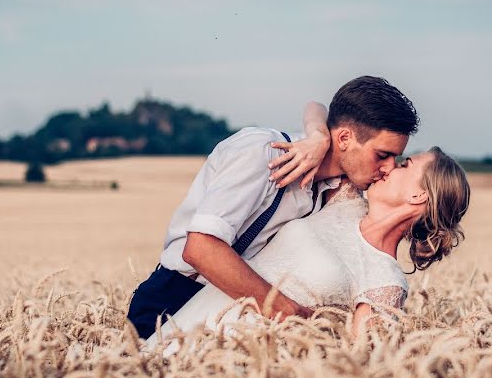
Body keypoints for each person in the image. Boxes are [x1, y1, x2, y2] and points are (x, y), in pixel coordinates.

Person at [126, 76, 420, 339]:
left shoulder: (337, 187)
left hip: (238, 316)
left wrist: (317, 133)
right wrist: (289, 312)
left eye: (396, 158)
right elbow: (200, 248)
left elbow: (317, 107)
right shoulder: (261, 152)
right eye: (382, 155)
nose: (388, 168)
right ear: (343, 138)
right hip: (172, 299)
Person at [144, 147, 471, 349]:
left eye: (405, 165)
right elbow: (338, 127)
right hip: (192, 321)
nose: (389, 165)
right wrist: (315, 137)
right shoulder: (344, 199)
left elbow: (356, 363)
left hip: (238, 361)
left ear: (419, 196)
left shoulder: (386, 281)